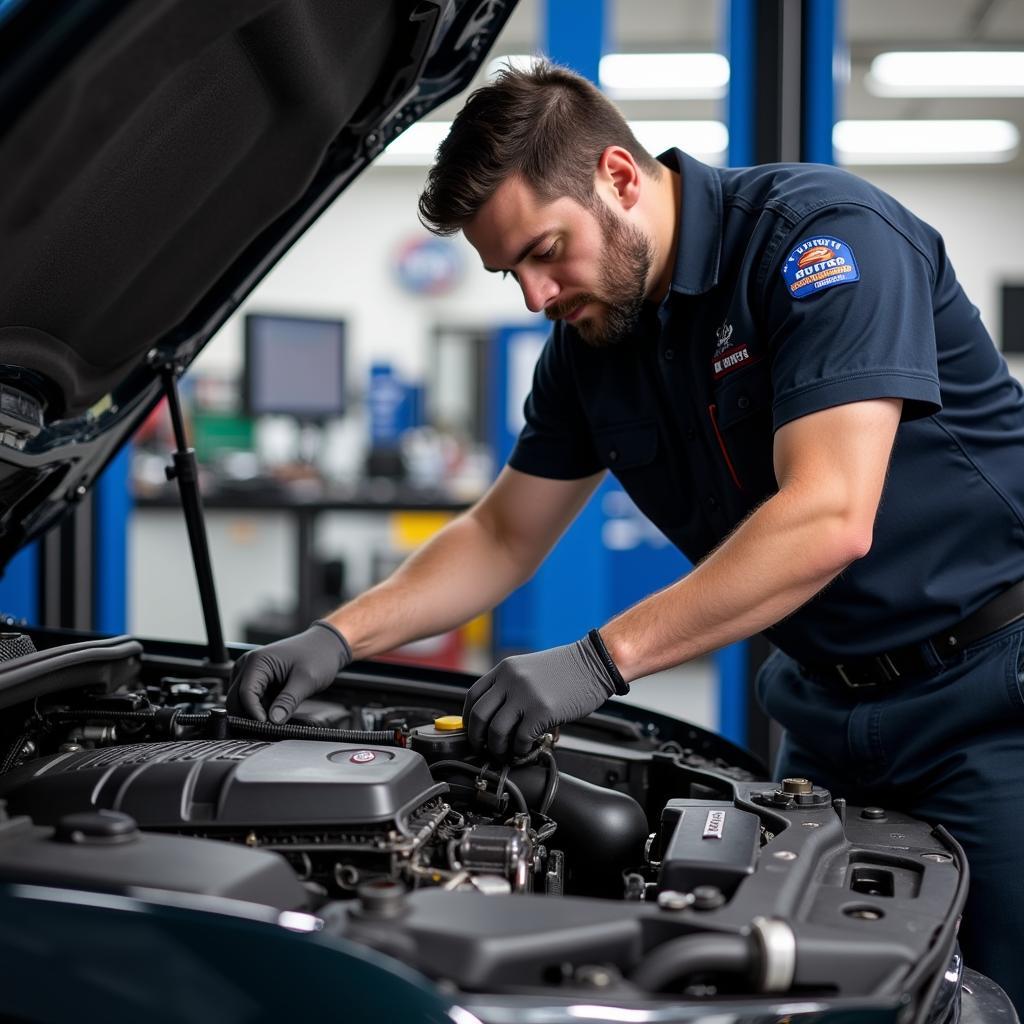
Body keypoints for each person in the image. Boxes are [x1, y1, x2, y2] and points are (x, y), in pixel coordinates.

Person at [228, 62, 1024, 1010]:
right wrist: (336, 637)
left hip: (987, 697)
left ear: (618, 174)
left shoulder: (820, 242)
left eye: (545, 251)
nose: (532, 295)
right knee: (813, 996)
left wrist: (600, 662)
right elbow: (502, 534)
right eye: (510, 272)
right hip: (820, 715)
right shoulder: (591, 347)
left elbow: (828, 516)